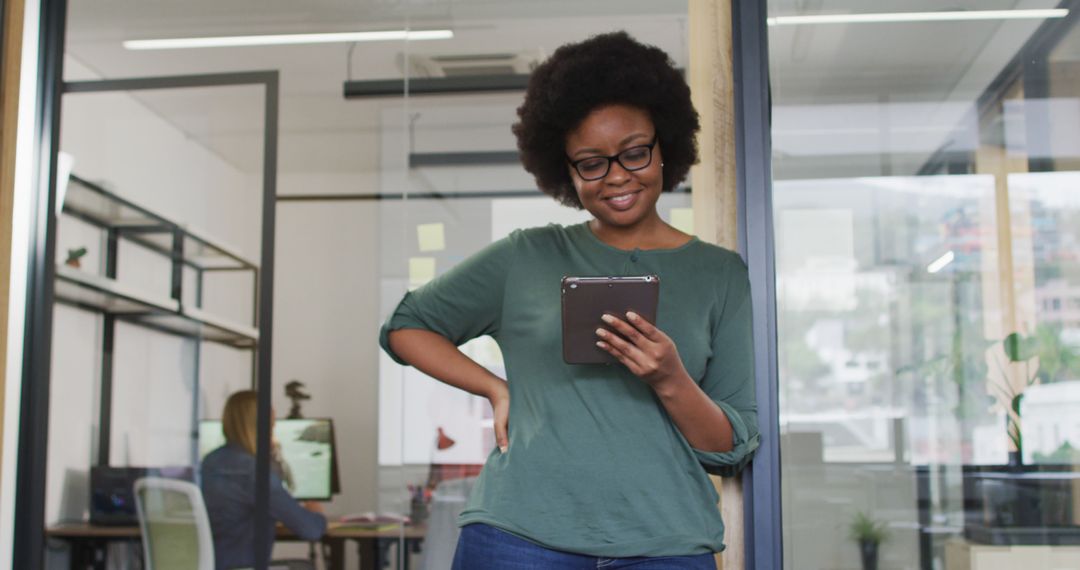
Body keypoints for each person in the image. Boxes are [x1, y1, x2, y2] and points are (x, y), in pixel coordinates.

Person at [380, 31, 759, 569]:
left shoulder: (719, 275)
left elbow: (732, 447)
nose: (617, 177)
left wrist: (670, 377)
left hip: (664, 546)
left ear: (664, 146)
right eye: (591, 162)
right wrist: (494, 388)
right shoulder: (525, 257)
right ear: (565, 169)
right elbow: (405, 325)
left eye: (634, 152)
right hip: (517, 539)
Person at [201, 390, 327, 570]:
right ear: (260, 427)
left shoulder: (208, 462)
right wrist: (317, 514)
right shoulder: (256, 472)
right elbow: (310, 530)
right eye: (272, 426)